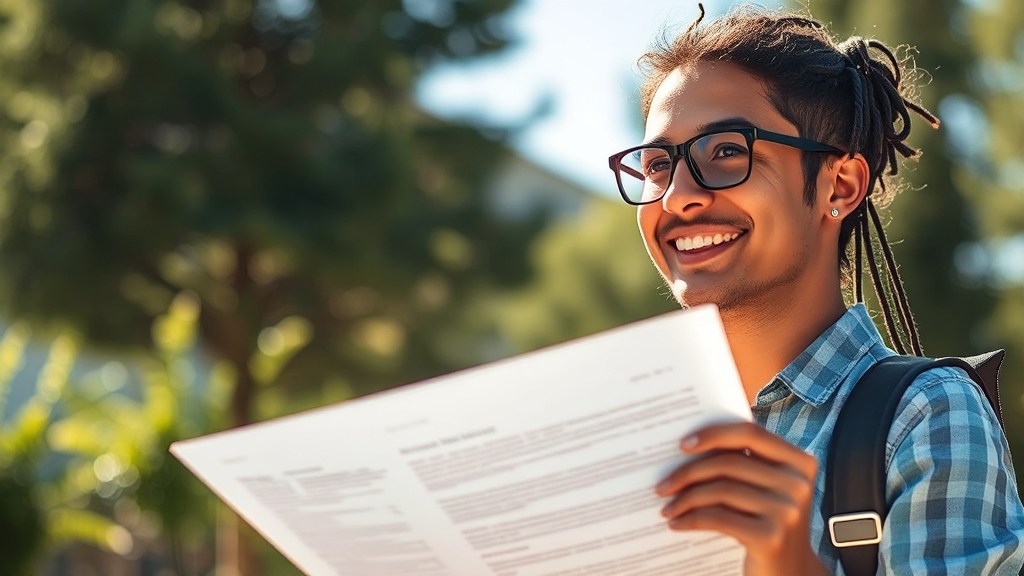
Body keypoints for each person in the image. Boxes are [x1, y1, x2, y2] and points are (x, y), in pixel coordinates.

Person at [606, 5, 1024, 575]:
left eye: (726, 151)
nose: (677, 197)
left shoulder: (925, 415)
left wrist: (790, 565)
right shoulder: (627, 436)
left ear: (841, 184)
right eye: (658, 165)